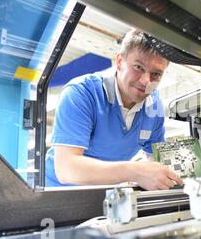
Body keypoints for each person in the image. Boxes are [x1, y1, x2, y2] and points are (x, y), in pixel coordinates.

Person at [45, 30, 183, 190]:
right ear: (119, 62)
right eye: (138, 67)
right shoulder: (82, 93)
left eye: (156, 74)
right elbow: (67, 170)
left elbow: (158, 159)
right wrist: (135, 171)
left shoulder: (154, 105)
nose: (146, 81)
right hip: (57, 196)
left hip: (106, 196)